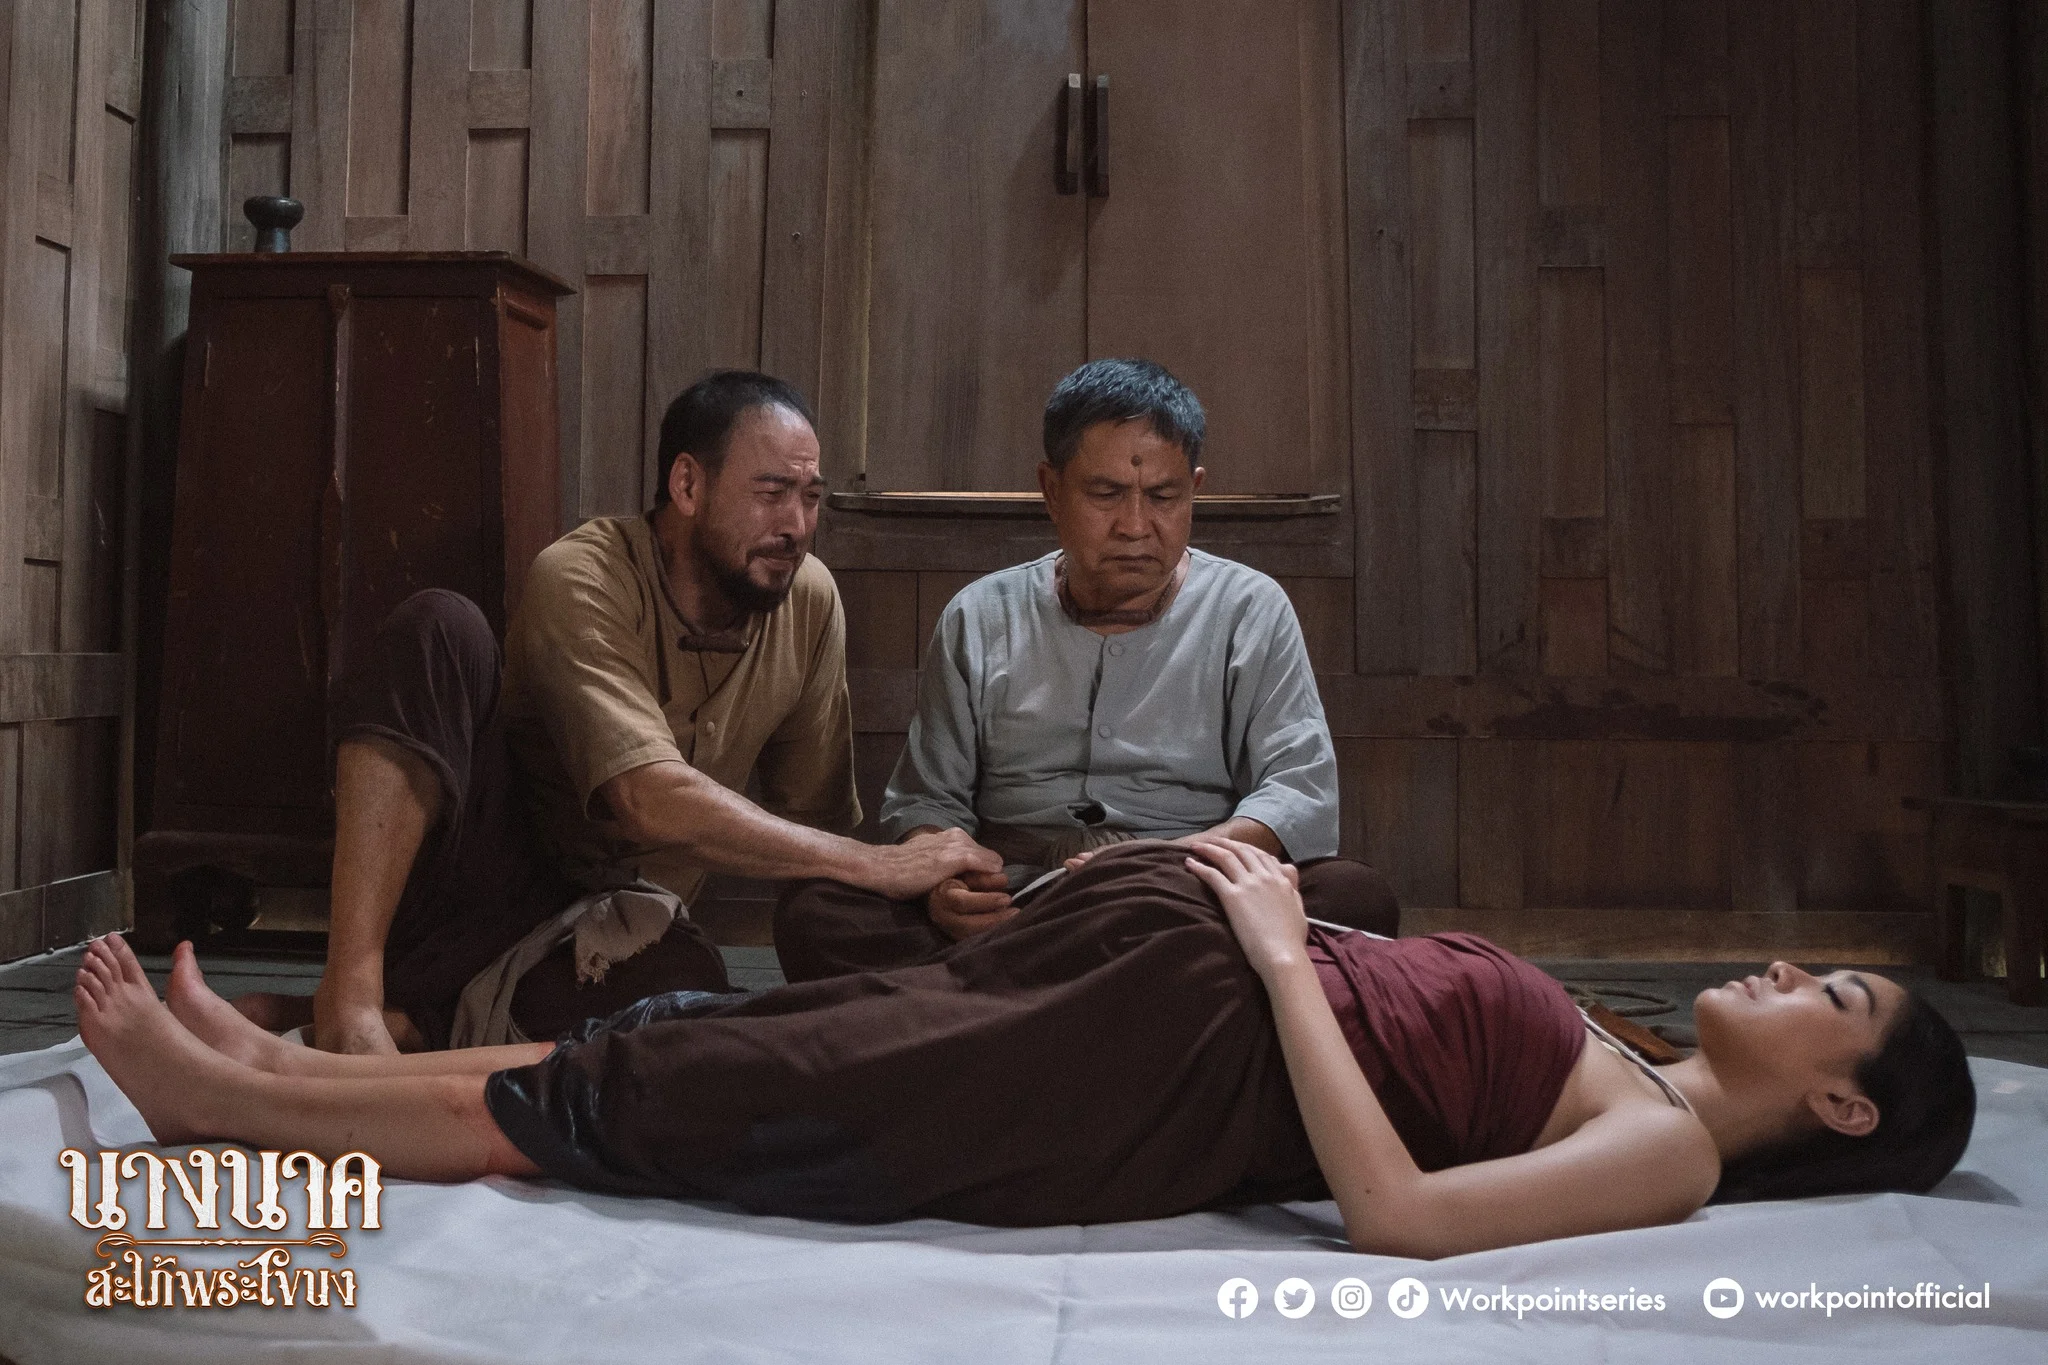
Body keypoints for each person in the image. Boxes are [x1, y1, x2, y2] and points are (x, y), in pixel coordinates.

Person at [76, 840, 1974, 1258]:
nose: (1791, 968)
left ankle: (231, 1104)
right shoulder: (1631, 1054)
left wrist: (1274, 951)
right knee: (711, 1033)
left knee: (693, 1095)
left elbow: (1396, 1211)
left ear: (1838, 1102)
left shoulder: (1674, 1154)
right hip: (1134, 985)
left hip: (1154, 1070)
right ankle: (278, 1076)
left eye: (1832, 999)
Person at [240, 370, 998, 1056]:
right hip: (468, 893)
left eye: (811, 497)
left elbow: (816, 823)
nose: (797, 524)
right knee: (441, 628)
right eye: (771, 493)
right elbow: (644, 797)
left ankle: (393, 1029)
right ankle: (351, 1002)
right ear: (688, 485)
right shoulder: (584, 573)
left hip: (608, 934)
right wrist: (879, 862)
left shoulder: (809, 600)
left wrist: (920, 893)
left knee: (691, 992)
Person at [774, 359, 1396, 982]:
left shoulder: (1250, 610)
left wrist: (1163, 866)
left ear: (1195, 490)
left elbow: (1297, 791)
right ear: (1051, 489)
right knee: (819, 913)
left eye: (1163, 497)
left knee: (1353, 898)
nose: (1135, 526)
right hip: (1017, 899)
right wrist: (946, 884)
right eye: (1105, 494)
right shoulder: (981, 616)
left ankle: (1011, 1006)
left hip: (1185, 895)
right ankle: (1123, 1001)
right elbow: (928, 799)